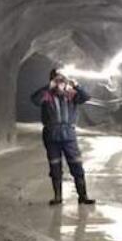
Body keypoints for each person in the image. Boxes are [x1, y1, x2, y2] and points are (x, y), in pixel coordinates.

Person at [32, 69, 95, 205]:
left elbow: (86, 97)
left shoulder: (70, 95)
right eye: (57, 80)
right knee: (55, 167)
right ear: (53, 81)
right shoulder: (47, 95)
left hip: (68, 135)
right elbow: (35, 100)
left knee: (76, 165)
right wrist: (49, 86)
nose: (60, 84)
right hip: (51, 135)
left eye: (62, 80)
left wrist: (76, 85)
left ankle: (83, 196)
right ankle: (58, 197)